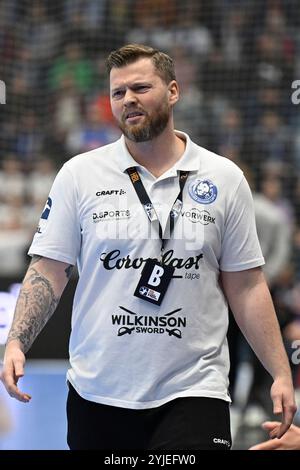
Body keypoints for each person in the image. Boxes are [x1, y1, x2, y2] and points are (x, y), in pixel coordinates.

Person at [0, 44, 297, 450]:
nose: (128, 100)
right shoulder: (79, 175)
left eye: (140, 87)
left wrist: (281, 371)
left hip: (195, 389)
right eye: (118, 93)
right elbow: (48, 269)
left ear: (173, 91)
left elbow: (246, 284)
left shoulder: (224, 178)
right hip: (98, 390)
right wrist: (17, 341)